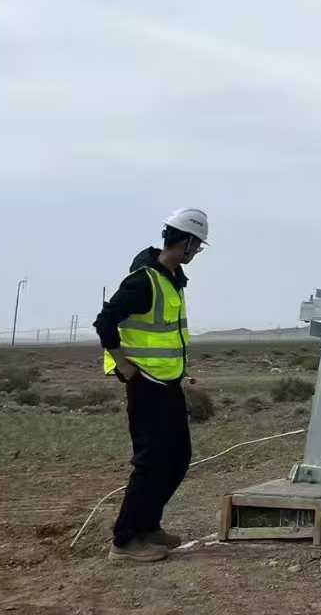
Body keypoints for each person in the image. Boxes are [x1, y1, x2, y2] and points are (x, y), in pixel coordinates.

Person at [93, 207, 208, 563]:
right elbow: (105, 321)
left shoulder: (174, 278)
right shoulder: (143, 280)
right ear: (185, 242)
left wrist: (182, 371)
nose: (198, 252)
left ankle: (148, 526)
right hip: (145, 384)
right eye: (198, 245)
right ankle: (125, 541)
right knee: (151, 462)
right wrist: (124, 365)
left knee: (177, 459)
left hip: (168, 382)